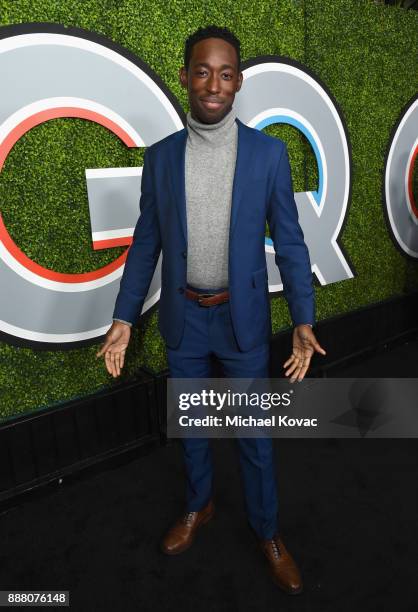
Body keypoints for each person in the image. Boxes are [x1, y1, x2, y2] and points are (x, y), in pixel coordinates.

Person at [97, 25, 325, 595]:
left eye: (225, 73)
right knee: (194, 429)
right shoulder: (161, 158)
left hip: (241, 320)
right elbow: (146, 244)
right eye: (203, 71)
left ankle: (268, 532)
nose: (213, 84)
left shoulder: (269, 155)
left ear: (238, 81)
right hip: (185, 321)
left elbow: (292, 244)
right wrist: (124, 317)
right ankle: (200, 507)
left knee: (253, 435)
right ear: (185, 78)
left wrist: (303, 320)